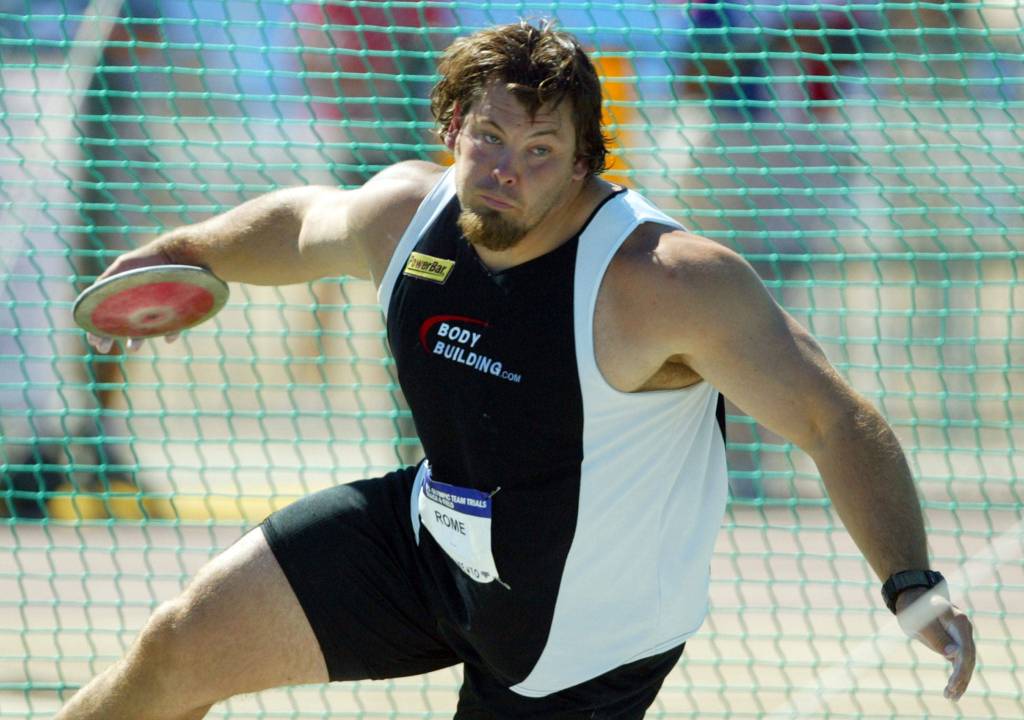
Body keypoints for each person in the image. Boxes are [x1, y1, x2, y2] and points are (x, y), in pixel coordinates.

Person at [56, 20, 975, 719]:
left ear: (583, 165)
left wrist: (909, 582)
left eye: (541, 152)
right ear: (453, 125)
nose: (507, 171)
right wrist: (181, 256)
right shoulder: (404, 214)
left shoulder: (665, 283)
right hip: (434, 541)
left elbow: (833, 420)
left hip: (588, 635)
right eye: (490, 137)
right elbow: (300, 224)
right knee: (179, 644)